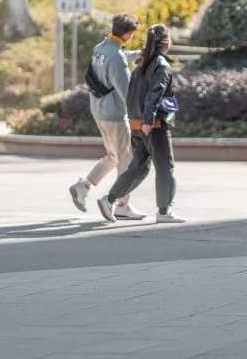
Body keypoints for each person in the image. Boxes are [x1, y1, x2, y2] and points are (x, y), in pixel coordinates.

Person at [98, 24, 185, 224]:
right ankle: (164, 211)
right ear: (166, 42)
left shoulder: (142, 62)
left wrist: (135, 120)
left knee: (139, 167)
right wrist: (148, 120)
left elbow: (132, 94)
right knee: (165, 167)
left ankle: (109, 199)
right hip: (153, 125)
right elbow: (155, 94)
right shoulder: (161, 65)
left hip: (137, 123)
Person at [68, 13, 148, 220]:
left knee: (113, 157)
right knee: (126, 160)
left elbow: (114, 60)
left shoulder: (100, 48)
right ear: (129, 33)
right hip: (115, 116)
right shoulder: (116, 57)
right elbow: (127, 92)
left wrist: (135, 55)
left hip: (99, 111)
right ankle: (121, 204)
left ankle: (83, 186)